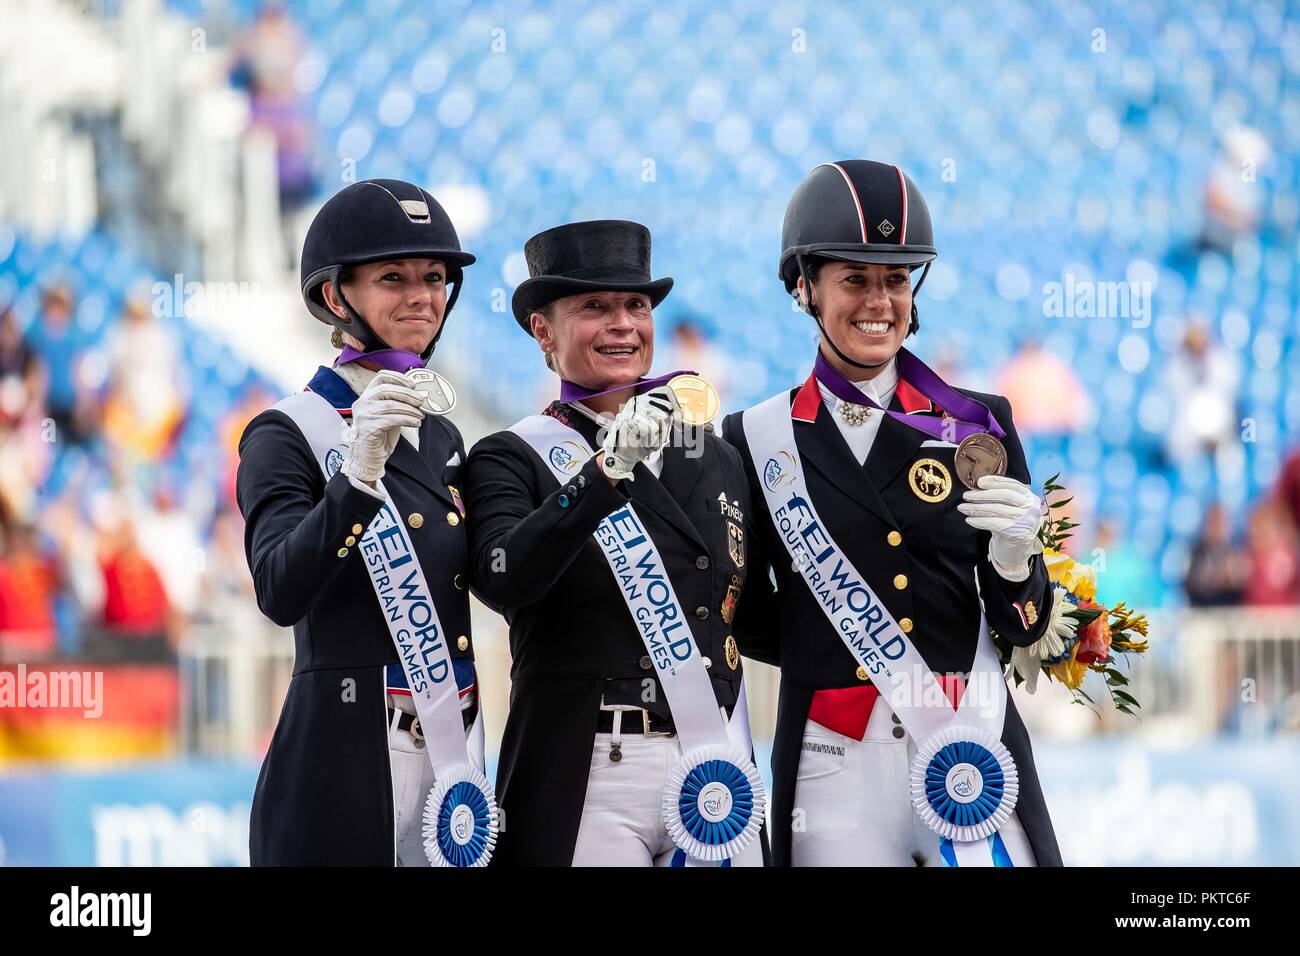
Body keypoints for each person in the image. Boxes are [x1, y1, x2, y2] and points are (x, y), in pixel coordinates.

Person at [723, 160, 1063, 867]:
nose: (879, 301)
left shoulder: (981, 426)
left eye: (896, 279)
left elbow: (1021, 621)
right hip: (832, 759)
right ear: (804, 288)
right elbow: (748, 613)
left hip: (969, 745)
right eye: (855, 279)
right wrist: (843, 651)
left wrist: (1012, 563)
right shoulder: (755, 437)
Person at [464, 220, 767, 866]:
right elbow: (503, 577)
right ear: (542, 330)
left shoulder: (714, 454)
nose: (623, 323)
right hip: (589, 770)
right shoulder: (509, 456)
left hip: (710, 768)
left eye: (636, 305)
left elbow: (755, 614)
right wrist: (603, 476)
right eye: (594, 307)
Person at [236, 179, 492, 866]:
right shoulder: (284, 433)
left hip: (453, 756)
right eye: (392, 277)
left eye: (435, 277)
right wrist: (355, 479)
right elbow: (279, 589)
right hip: (345, 756)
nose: (420, 296)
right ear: (333, 296)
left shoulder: (441, 437)